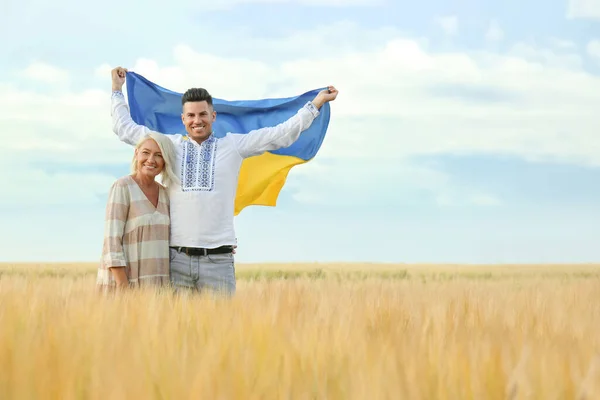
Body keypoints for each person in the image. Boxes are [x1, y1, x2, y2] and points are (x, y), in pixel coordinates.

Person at [109, 66, 339, 295]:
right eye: (190, 115)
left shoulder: (234, 146)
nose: (196, 120)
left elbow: (280, 134)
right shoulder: (170, 146)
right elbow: (124, 129)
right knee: (178, 331)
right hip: (175, 261)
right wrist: (117, 90)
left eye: (202, 114)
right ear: (183, 119)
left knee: (219, 330)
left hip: (218, 262)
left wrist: (315, 104)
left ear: (213, 116)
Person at [96, 132, 179, 290]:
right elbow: (112, 242)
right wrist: (123, 286)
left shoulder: (166, 194)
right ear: (136, 154)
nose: (151, 160)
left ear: (165, 161)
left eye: (158, 155)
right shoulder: (123, 187)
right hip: (124, 285)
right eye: (146, 153)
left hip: (157, 286)